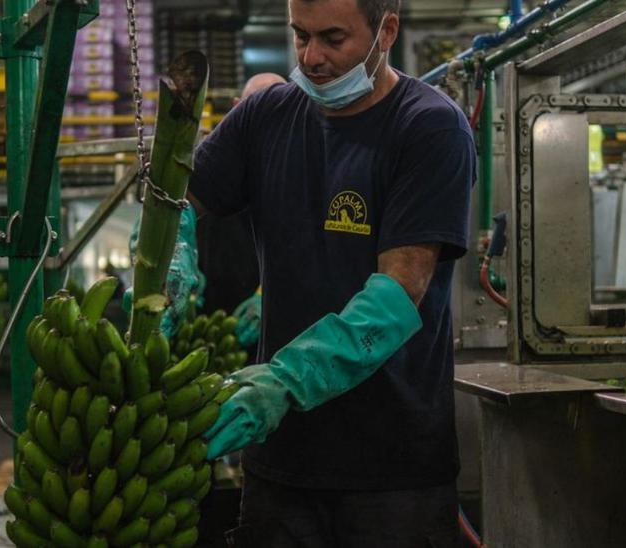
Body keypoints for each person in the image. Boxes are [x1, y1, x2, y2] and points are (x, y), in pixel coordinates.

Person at [166, 0, 477, 544]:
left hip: (391, 469)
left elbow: (397, 294)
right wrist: (174, 248)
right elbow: (178, 196)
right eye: (300, 35)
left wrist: (286, 381)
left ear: (387, 31)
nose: (311, 57)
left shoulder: (428, 127)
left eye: (334, 39)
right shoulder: (264, 117)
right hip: (281, 463)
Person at [195, 74, 287, 348]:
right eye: (257, 108)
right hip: (206, 321)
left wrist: (269, 293)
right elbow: (181, 213)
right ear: (238, 107)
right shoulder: (211, 162)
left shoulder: (296, 170)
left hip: (269, 323)